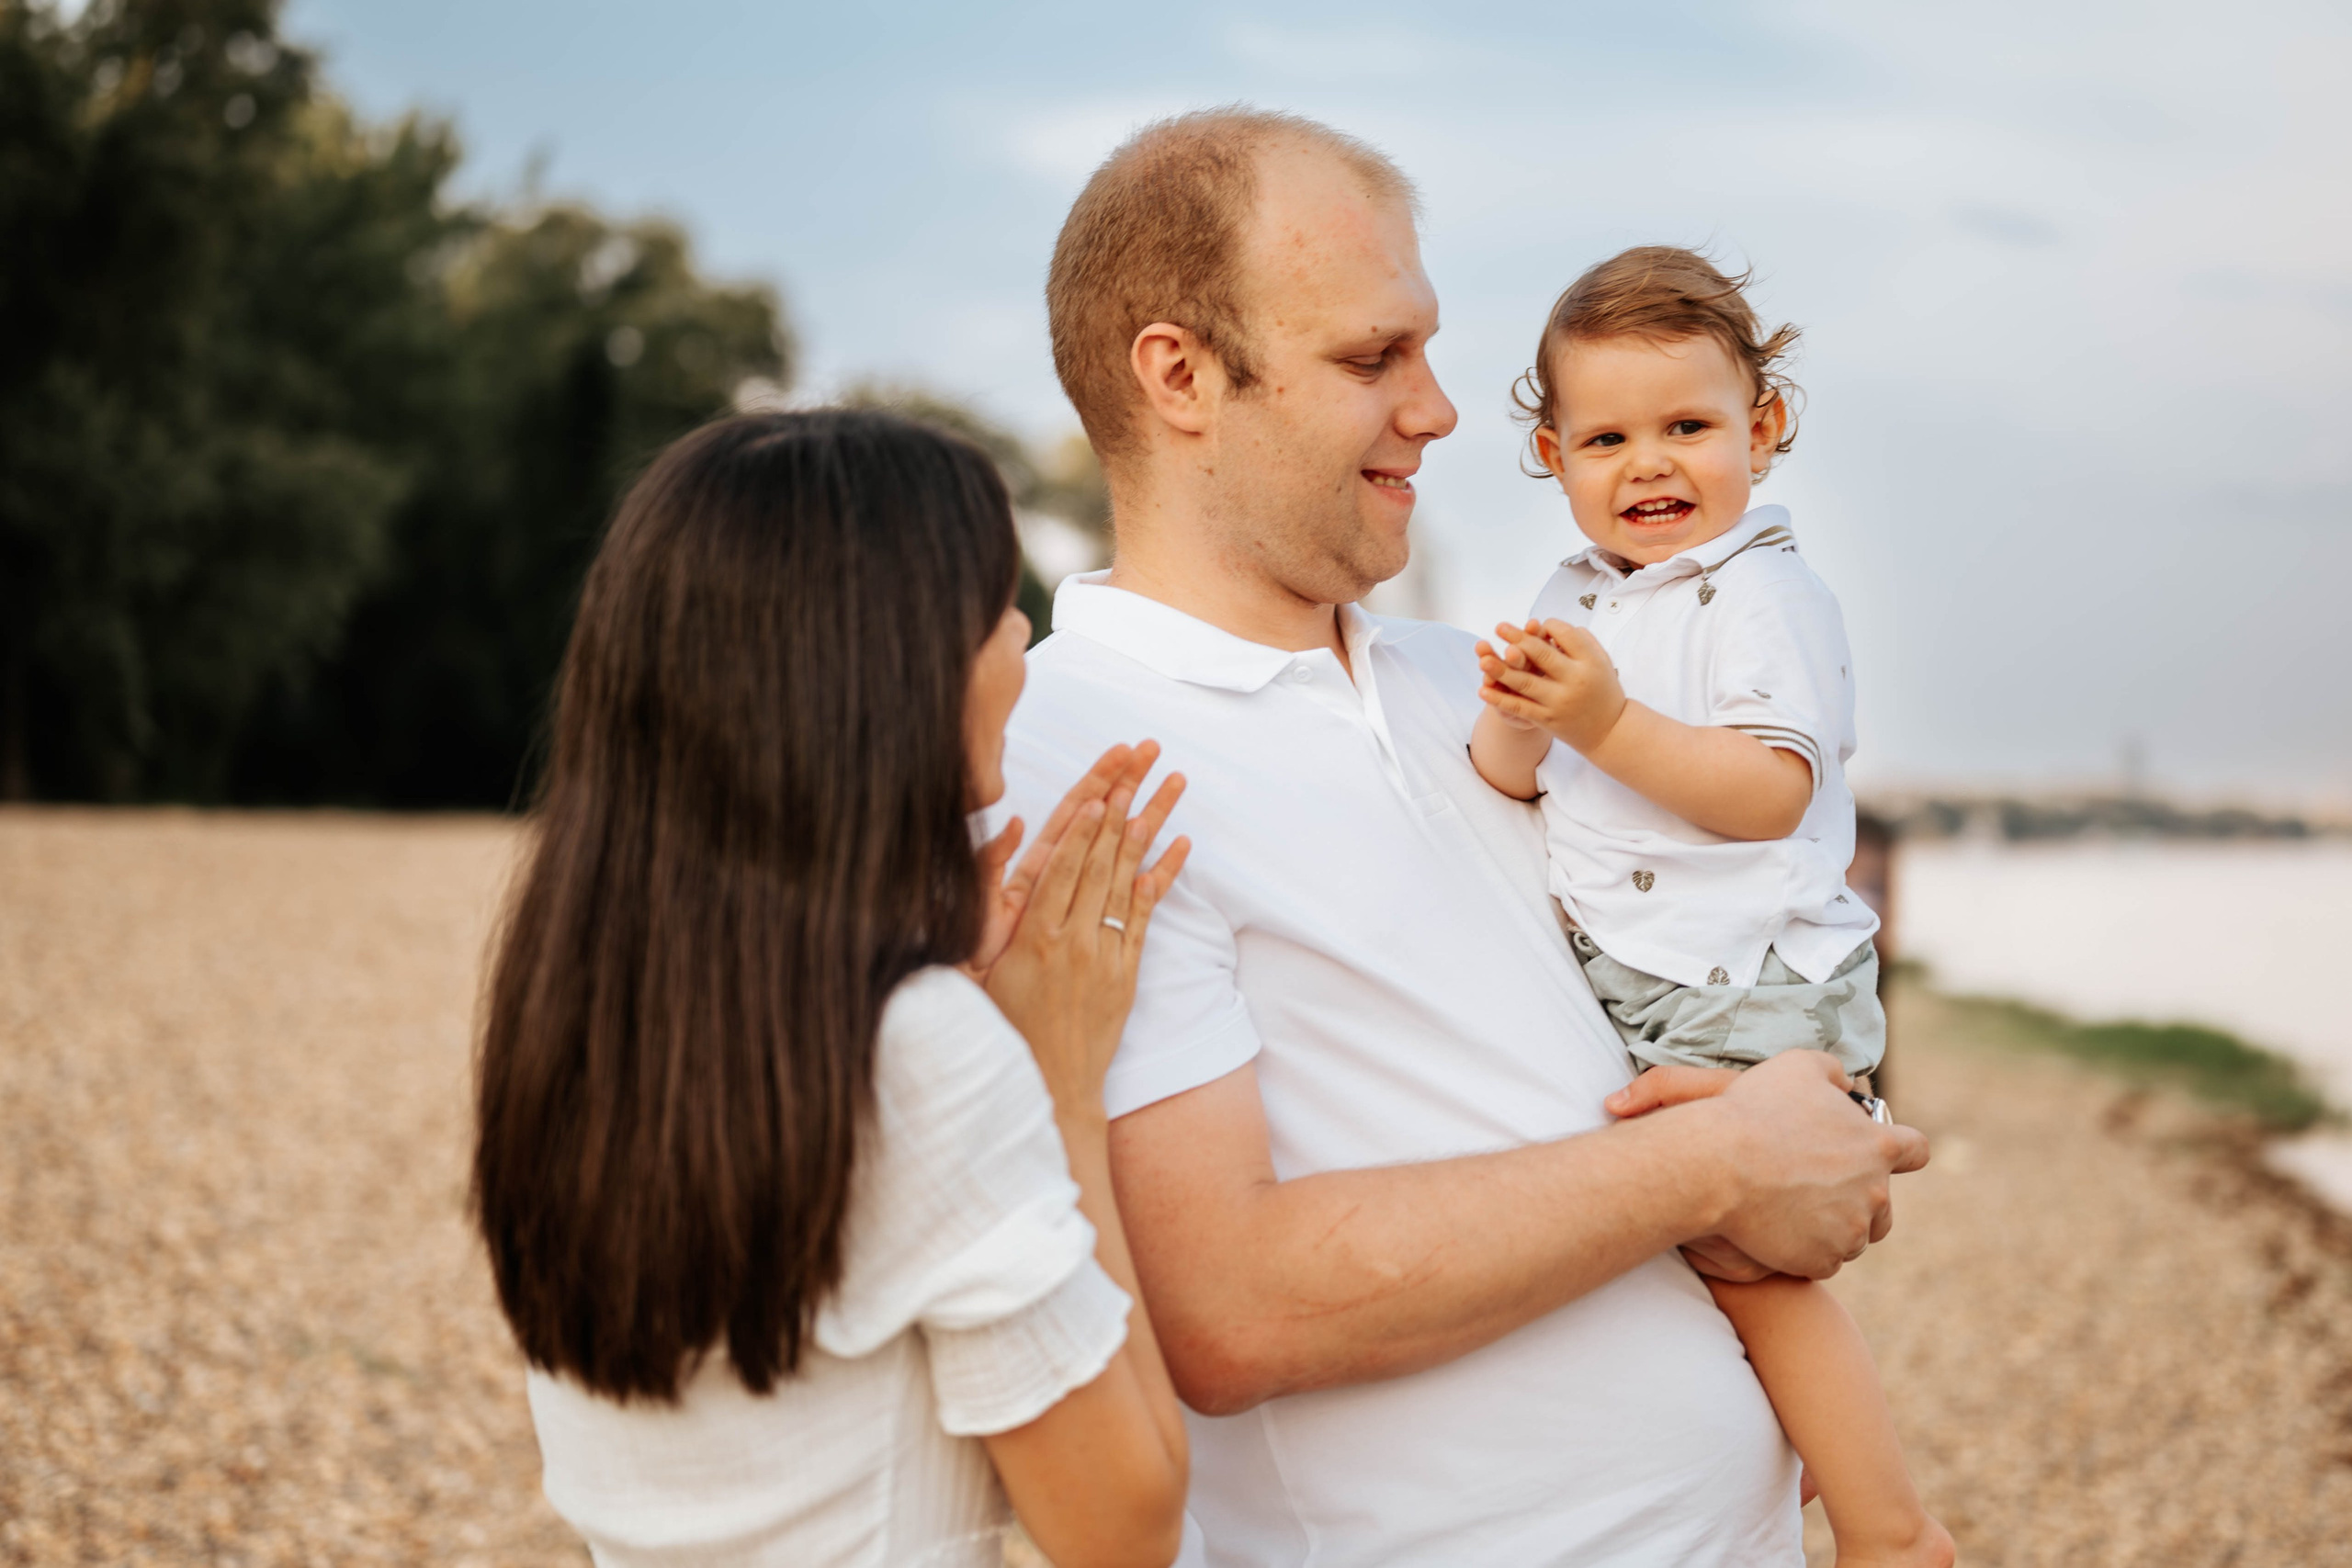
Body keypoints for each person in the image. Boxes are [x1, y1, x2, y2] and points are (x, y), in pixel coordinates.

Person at [1000, 108, 1930, 1565]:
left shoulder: (1474, 680)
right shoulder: (1075, 765)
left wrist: (1814, 1128)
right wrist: (1726, 1165)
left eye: (1427, 351)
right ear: (1180, 375)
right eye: (1374, 359)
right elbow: (1229, 1304)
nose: (1439, 410)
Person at [471, 409, 1193, 1568]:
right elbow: (1125, 1532)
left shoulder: (582, 1002)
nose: (1019, 633)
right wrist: (1056, 1080)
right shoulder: (921, 1053)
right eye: (993, 606)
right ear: (890, 675)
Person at [1469, 245, 1953, 1567]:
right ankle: (1760, 1472)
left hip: (1750, 980)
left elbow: (1764, 795)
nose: (1650, 465)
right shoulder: (1574, 595)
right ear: (1552, 451)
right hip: (1642, 972)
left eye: (1688, 426)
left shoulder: (1764, 592)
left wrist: (1606, 717)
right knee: (1684, 1264)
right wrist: (1523, 716)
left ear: (1764, 426)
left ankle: (1890, 1525)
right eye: (1607, 436)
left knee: (1755, 1271)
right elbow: (1508, 771)